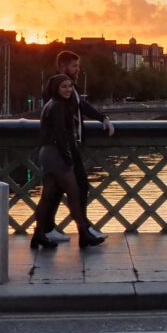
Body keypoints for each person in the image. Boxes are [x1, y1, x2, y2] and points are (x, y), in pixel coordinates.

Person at [43, 51, 115, 244]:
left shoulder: (66, 89)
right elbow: (62, 124)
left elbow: (82, 105)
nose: (78, 69)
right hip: (63, 149)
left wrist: (103, 117)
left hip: (62, 148)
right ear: (62, 67)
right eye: (74, 66)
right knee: (78, 187)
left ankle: (45, 230)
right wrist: (68, 153)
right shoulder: (59, 91)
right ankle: (84, 230)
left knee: (54, 191)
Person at [32, 74, 105, 250]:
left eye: (70, 86)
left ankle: (38, 234)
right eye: (64, 86)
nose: (68, 90)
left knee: (48, 195)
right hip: (56, 153)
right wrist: (67, 156)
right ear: (56, 88)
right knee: (74, 193)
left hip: (47, 152)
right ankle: (84, 232)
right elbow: (60, 133)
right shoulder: (58, 106)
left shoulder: (52, 104)